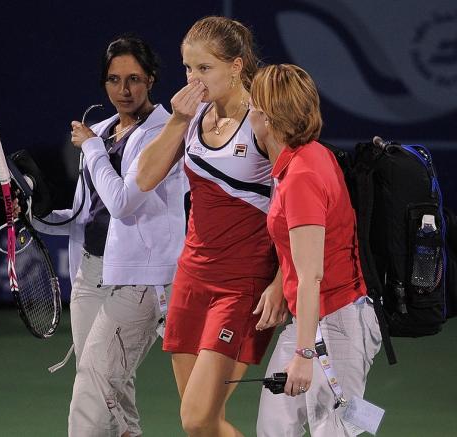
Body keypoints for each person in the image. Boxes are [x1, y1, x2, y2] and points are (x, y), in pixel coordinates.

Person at [136, 16, 287, 437]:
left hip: (242, 285)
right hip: (191, 279)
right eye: (188, 68)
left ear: (237, 66)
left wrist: (280, 281)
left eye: (205, 69)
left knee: (198, 417)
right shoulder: (192, 115)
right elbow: (144, 179)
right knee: (202, 426)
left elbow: (294, 208)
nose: (194, 79)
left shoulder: (263, 122)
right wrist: (176, 121)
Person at [32, 35, 187, 437]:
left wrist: (92, 149)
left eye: (134, 78)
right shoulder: (101, 131)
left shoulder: (163, 134)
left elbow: (122, 203)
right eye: (114, 80)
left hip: (139, 280)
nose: (124, 90)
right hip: (90, 275)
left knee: (93, 385)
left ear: (151, 79)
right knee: (108, 390)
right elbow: (88, 214)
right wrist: (35, 216)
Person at [248, 64, 382, 436]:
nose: (249, 115)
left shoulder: (303, 176)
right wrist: (279, 284)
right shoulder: (305, 157)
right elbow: (302, 252)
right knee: (274, 427)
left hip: (337, 325)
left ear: (268, 118)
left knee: (336, 431)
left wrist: (305, 356)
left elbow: (311, 275)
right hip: (311, 320)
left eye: (253, 107)